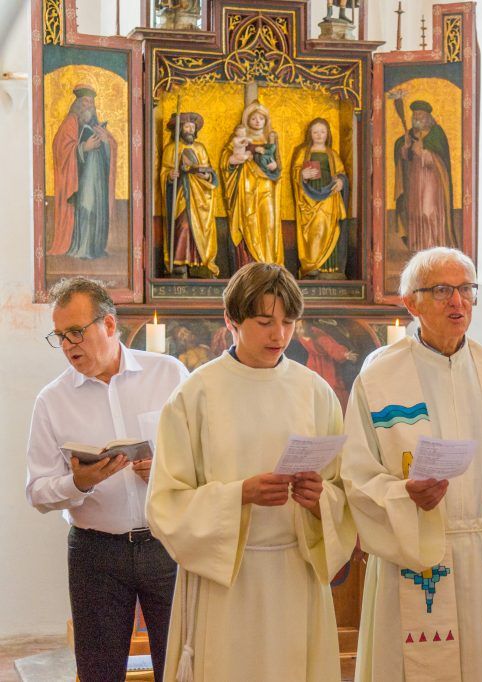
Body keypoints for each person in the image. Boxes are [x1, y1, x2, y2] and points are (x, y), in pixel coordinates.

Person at [146, 262, 356, 681]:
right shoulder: (196, 395)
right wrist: (240, 493)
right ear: (232, 320)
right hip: (228, 581)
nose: (279, 335)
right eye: (264, 322)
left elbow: (340, 489)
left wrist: (320, 501)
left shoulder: (315, 392)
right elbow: (165, 504)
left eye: (288, 322)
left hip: (295, 576)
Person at [342, 247, 482, 682]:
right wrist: (402, 495)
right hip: (416, 558)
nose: (458, 301)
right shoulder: (378, 380)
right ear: (411, 303)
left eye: (467, 289)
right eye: (443, 290)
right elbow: (355, 477)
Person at [26, 277, 188, 682]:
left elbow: (207, 452)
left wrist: (167, 466)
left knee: (180, 665)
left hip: (167, 544)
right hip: (96, 555)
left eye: (77, 332)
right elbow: (37, 491)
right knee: (99, 671)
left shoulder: (168, 375)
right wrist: (77, 483)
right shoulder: (52, 400)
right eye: (60, 336)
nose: (68, 346)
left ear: (110, 326)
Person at [50, 83, 117, 259]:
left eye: (91, 103)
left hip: (98, 181)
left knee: (96, 210)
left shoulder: (96, 125)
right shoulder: (70, 122)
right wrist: (83, 148)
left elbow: (112, 146)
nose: (89, 106)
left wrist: (105, 141)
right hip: (81, 181)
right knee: (86, 208)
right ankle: (83, 248)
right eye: (85, 102)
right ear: (78, 105)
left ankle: (95, 248)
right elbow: (60, 148)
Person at [220, 101, 284, 267]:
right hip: (245, 187)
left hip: (266, 187)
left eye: (261, 118)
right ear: (247, 120)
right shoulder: (239, 139)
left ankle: (269, 263)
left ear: (266, 120)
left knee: (268, 222)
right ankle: (251, 264)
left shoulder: (271, 138)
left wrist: (274, 166)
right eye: (253, 118)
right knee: (249, 221)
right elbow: (226, 160)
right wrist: (234, 160)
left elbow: (279, 165)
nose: (257, 121)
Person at [160, 112, 219, 277]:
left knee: (199, 228)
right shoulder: (171, 148)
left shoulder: (200, 148)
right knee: (184, 225)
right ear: (180, 130)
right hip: (181, 195)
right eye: (186, 127)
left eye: (192, 127)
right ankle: (180, 263)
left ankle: (200, 264)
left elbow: (210, 172)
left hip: (200, 197)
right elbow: (164, 172)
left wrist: (206, 175)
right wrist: (170, 176)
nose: (190, 130)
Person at [394, 100, 458, 251]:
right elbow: (403, 157)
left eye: (421, 115)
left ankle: (434, 244)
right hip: (415, 179)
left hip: (432, 179)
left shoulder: (437, 134)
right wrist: (405, 149)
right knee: (415, 211)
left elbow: (441, 158)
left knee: (427, 210)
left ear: (428, 117)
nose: (417, 118)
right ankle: (418, 245)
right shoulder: (409, 134)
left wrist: (424, 153)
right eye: (415, 115)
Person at [292, 118, 349, 279]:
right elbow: (295, 171)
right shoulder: (303, 152)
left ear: (327, 134)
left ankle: (329, 268)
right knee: (313, 230)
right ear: (310, 134)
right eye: (315, 132)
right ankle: (312, 265)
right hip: (309, 197)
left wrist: (340, 181)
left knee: (327, 227)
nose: (319, 135)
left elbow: (341, 173)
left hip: (329, 196)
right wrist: (302, 174)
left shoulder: (332, 154)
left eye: (322, 132)